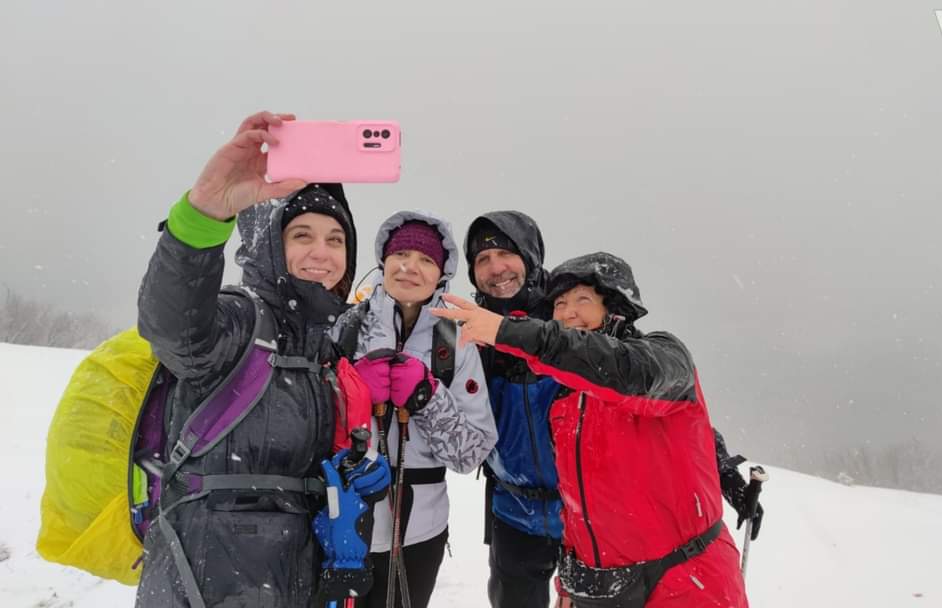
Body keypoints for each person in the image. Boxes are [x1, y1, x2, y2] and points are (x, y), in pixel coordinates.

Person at [135, 111, 388, 607]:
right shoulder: (239, 321)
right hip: (205, 583)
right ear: (271, 247)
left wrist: (350, 476)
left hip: (292, 583)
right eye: (302, 235)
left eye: (336, 240)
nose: (322, 252)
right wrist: (204, 215)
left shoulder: (323, 348)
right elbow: (172, 325)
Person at [432, 252, 750, 607]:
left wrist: (508, 332)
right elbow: (577, 503)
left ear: (615, 308)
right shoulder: (565, 401)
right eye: (560, 304)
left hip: (686, 582)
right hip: (603, 589)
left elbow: (627, 374)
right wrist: (571, 581)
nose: (568, 313)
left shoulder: (663, 354)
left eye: (582, 300)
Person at [342, 211, 499, 608]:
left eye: (426, 259)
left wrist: (427, 398)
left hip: (419, 534)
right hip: (342, 522)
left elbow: (470, 455)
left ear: (441, 274)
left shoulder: (456, 342)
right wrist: (353, 394)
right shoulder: (346, 328)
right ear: (384, 261)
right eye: (401, 254)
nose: (410, 267)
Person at [461, 212, 565, 608]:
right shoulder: (468, 335)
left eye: (506, 253)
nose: (495, 268)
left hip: (588, 509)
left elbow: (645, 390)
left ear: (530, 256)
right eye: (482, 260)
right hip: (513, 511)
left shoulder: (570, 314)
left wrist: (719, 461)